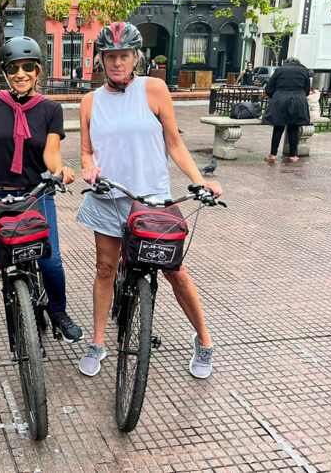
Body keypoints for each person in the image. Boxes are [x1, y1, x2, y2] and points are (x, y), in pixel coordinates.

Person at [76, 22, 223, 378]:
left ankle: (204, 340)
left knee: (176, 272)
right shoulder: (90, 102)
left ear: (135, 58)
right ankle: (98, 343)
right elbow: (85, 153)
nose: (117, 62)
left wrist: (201, 181)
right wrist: (89, 168)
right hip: (108, 198)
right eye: (110, 56)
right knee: (105, 269)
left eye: (124, 55)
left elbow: (174, 143)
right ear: (101, 60)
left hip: (152, 200)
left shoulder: (154, 90)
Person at [0, 36, 83, 347]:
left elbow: (51, 153)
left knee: (50, 260)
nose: (21, 73)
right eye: (13, 68)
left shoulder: (50, 109)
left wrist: (60, 171)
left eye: (27, 67)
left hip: (36, 194)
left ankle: (59, 313)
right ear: (5, 72)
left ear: (38, 70)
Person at [263, 57, 310, 162]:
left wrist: (276, 96)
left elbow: (269, 87)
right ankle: (293, 155)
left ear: (286, 63)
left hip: (280, 99)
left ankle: (272, 154)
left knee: (278, 127)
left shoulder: (280, 70)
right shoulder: (304, 71)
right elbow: (306, 89)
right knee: (293, 128)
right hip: (298, 100)